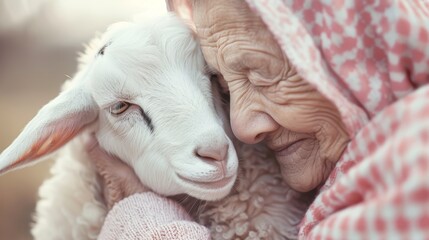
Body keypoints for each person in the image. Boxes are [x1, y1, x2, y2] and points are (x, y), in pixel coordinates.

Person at [89, 0, 429, 239]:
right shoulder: (353, 180)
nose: (241, 126)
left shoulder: (416, 168)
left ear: (360, 48)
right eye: (222, 86)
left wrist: (150, 227)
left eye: (262, 75)